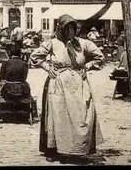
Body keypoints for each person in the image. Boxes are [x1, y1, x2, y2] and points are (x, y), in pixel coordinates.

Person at [29, 14, 104, 164]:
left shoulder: (83, 43)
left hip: (78, 85)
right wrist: (47, 67)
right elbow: (34, 56)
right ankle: (55, 150)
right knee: (59, 117)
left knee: (82, 115)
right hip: (58, 84)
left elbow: (99, 56)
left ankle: (78, 149)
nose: (70, 31)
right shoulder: (52, 43)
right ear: (61, 29)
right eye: (67, 28)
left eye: (73, 28)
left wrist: (87, 66)